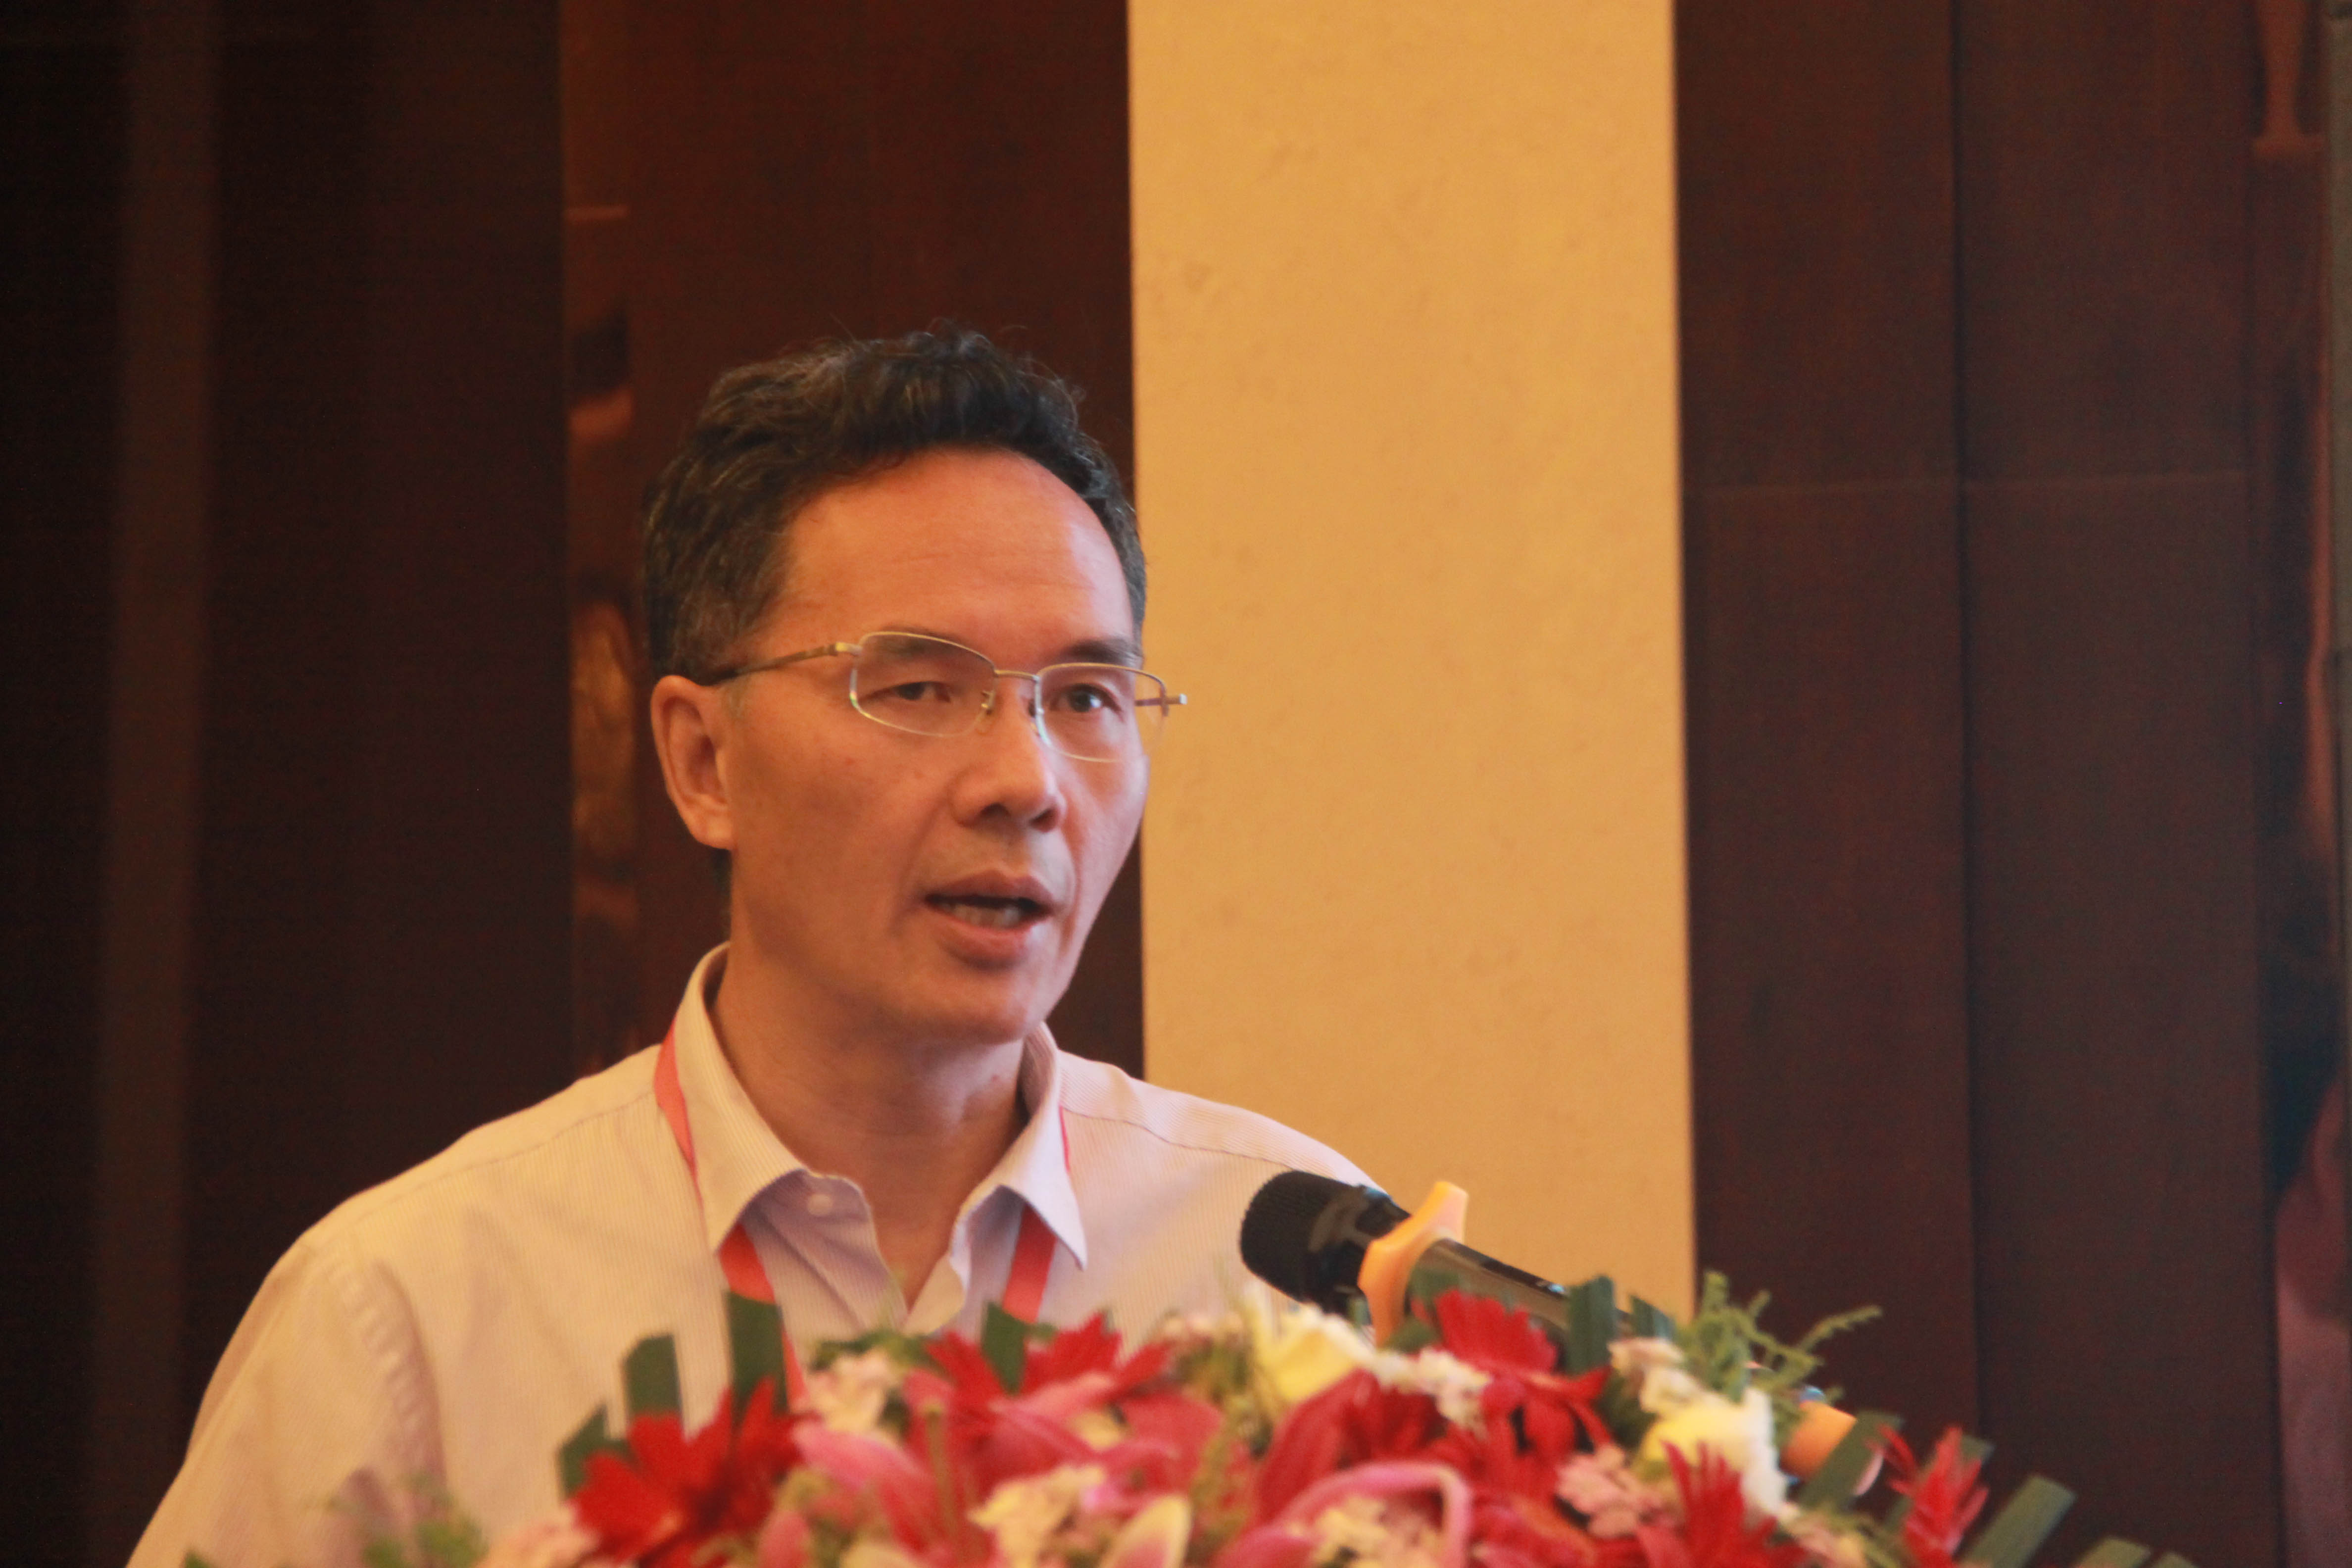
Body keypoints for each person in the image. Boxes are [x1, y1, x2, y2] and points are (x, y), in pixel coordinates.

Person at [132, 329, 1366, 1568]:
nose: (1027, 782)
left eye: (1086, 697)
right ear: (701, 762)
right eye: (919, 689)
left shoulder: (1289, 1273)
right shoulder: (411, 1317)